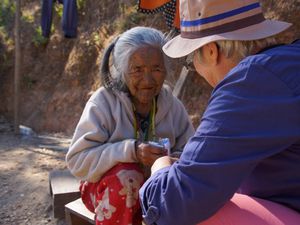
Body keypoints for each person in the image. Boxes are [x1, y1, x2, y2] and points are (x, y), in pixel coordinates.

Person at [139, 0, 300, 225]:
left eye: (191, 58)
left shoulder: (250, 83)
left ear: (211, 50)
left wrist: (159, 168)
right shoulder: (287, 61)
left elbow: (176, 201)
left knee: (198, 211)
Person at [66, 26, 194, 225]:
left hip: (153, 188)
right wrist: (131, 151)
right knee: (127, 179)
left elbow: (191, 153)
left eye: (157, 69)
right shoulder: (103, 102)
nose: (148, 79)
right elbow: (77, 161)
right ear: (122, 70)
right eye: (137, 70)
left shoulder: (172, 106)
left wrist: (173, 159)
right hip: (105, 189)